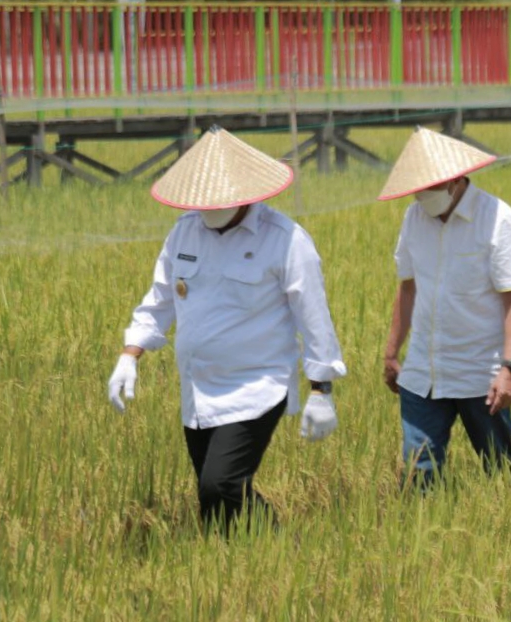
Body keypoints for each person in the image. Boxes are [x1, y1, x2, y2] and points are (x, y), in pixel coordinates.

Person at [107, 126, 346, 531]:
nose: (211, 207)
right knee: (214, 497)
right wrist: (130, 354)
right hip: (198, 391)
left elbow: (314, 317)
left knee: (220, 485)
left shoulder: (286, 240)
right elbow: (160, 299)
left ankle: (276, 544)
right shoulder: (184, 232)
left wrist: (321, 389)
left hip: (258, 385)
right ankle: (248, 560)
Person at [379, 127, 511, 488]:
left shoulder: (498, 219)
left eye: (430, 187)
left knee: (501, 468)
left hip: (479, 373)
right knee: (419, 471)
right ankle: (417, 531)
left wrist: (509, 368)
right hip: (422, 373)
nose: (422, 196)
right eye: (417, 188)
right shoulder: (414, 218)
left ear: (456, 179)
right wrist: (391, 351)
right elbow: (409, 287)